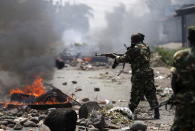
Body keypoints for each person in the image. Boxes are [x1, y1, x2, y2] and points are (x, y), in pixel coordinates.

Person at [114, 33, 160, 119]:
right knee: (150, 92)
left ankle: (130, 113)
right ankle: (157, 114)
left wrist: (116, 58)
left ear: (133, 40)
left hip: (139, 74)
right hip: (148, 72)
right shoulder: (146, 46)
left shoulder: (134, 49)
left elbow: (125, 58)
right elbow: (138, 57)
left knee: (135, 93)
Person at [170, 26, 195, 131]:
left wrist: (177, 95)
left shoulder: (180, 55)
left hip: (185, 101)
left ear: (189, 38)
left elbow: (174, 82)